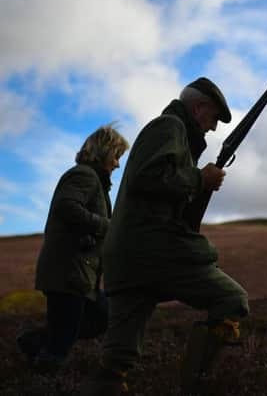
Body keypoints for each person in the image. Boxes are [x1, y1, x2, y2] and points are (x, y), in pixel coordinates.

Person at [81, 77, 249, 395]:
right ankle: (198, 385)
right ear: (198, 107)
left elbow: (159, 190)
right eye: (213, 117)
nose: (212, 128)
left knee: (116, 361)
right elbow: (151, 177)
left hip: (126, 258)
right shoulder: (169, 127)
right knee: (231, 299)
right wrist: (200, 180)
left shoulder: (170, 133)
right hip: (152, 250)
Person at [17, 124, 129, 372]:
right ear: (103, 151)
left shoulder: (95, 181)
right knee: (61, 345)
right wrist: (106, 226)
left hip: (80, 276)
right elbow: (66, 207)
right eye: (116, 155)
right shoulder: (84, 175)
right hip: (68, 273)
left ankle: (32, 343)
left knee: (100, 317)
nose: (118, 164)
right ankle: (41, 376)